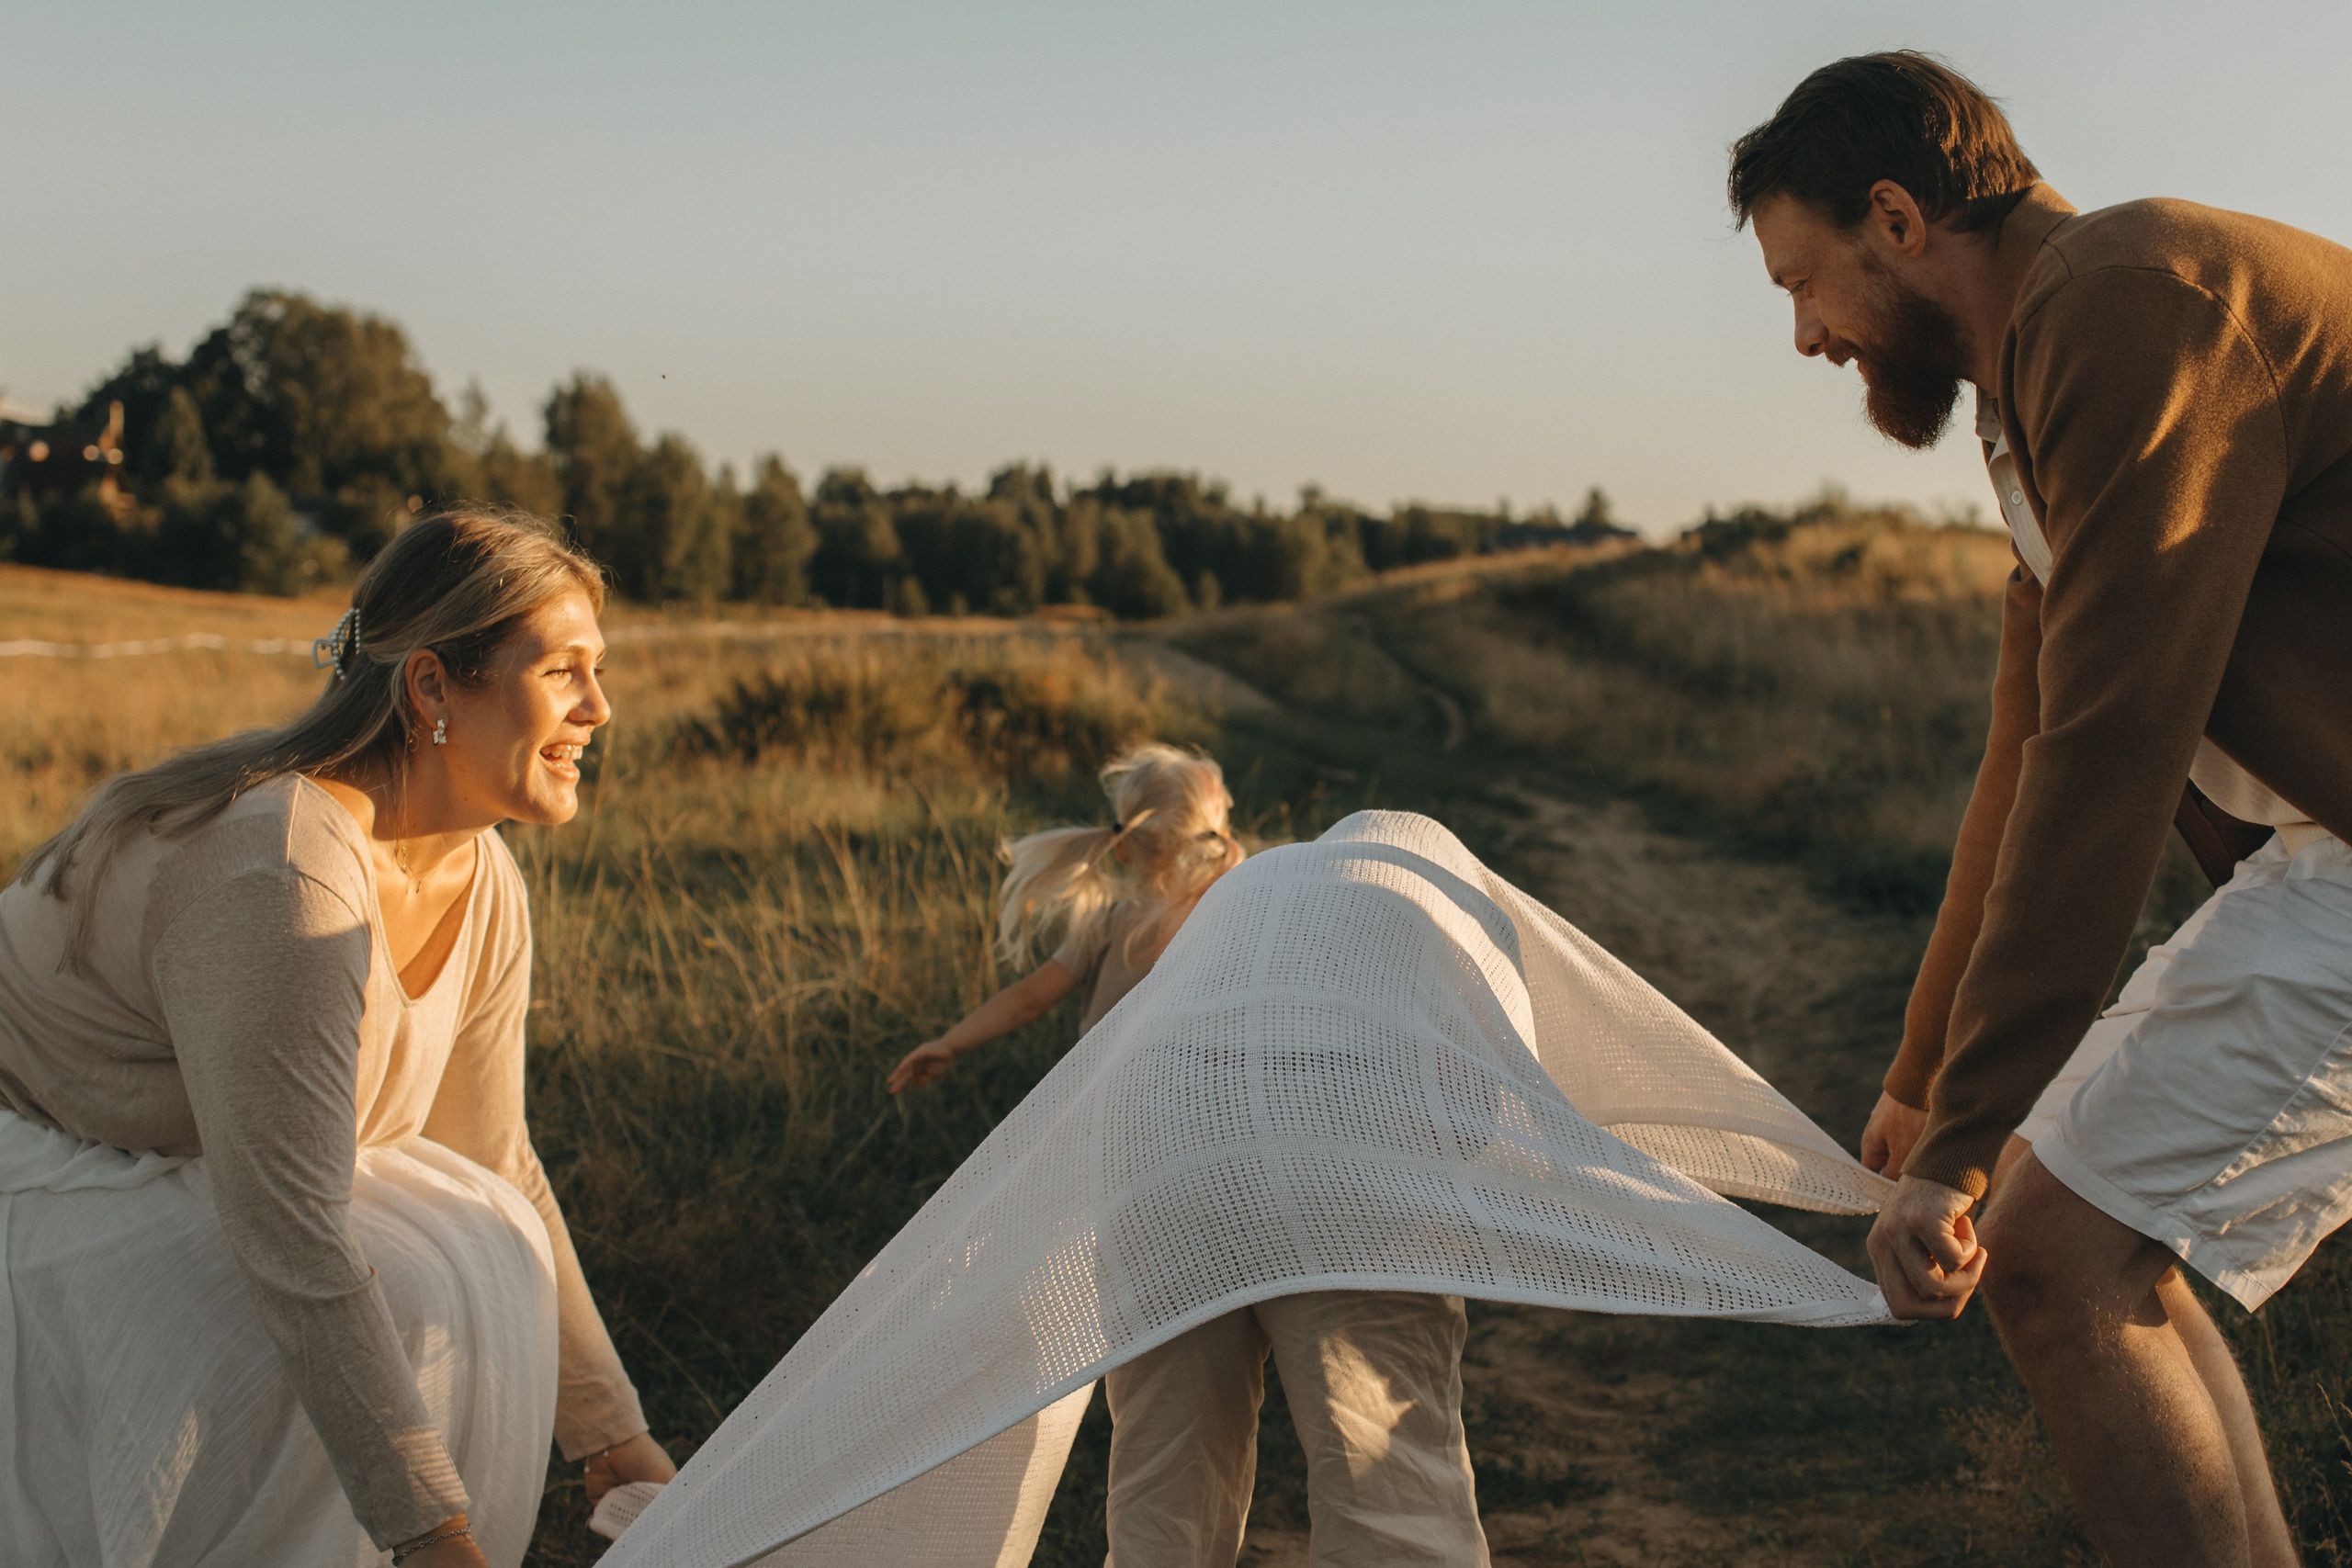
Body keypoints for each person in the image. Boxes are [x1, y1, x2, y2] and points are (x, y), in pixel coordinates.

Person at [1730, 51, 2352, 1566]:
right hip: (2330, 860)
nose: (1807, 337)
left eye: (1804, 285)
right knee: (2066, 1248)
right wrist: (1930, 1079)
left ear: (1895, 217)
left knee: (2055, 1253)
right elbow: (2019, 772)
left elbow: (2109, 751)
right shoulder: (2042, 400)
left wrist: (1963, 1148)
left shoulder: (2130, 302)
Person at [0, 509, 676, 1568]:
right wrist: (432, 1537)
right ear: (432, 689)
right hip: (49, 1164)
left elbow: (492, 1156)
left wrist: (611, 1433)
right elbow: (291, 1233)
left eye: (600, 670)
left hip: (209, 1159)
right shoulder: (282, 871)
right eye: (563, 671)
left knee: (486, 1229)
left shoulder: (482, 870)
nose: (601, 707)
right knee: (390, 1285)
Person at [888, 746, 1491, 1567]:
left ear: (1130, 842)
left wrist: (949, 1041)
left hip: (1157, 1186)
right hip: (1307, 1173)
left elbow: (1031, 995)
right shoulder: (1276, 894)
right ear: (1220, 822)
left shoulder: (1117, 919)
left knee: (1165, 1479)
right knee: (1383, 1474)